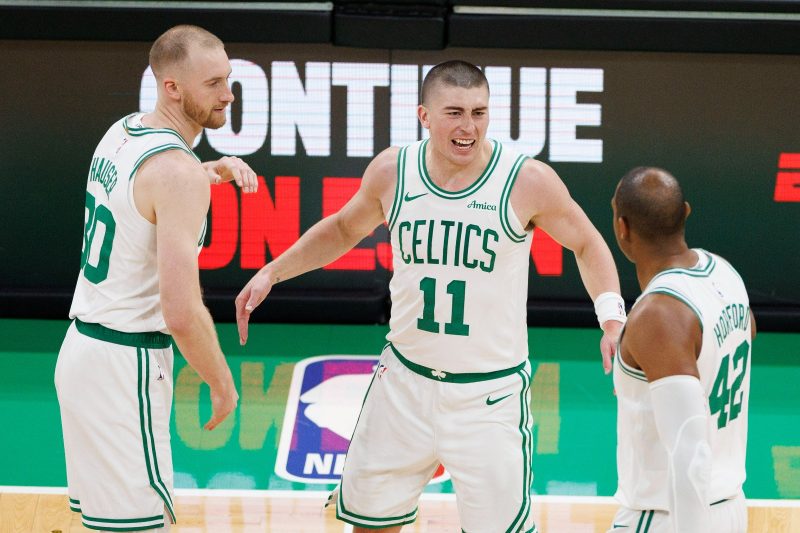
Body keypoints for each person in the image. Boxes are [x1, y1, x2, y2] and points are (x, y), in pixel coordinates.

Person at [237, 60, 626, 532]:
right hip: (404, 383)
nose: (469, 127)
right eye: (454, 113)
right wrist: (273, 272)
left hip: (488, 395)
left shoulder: (526, 180)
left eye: (479, 112)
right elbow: (342, 229)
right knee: (369, 525)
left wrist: (611, 317)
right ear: (423, 115)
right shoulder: (393, 170)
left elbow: (587, 243)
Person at [54, 25, 258, 531]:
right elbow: (182, 312)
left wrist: (206, 172)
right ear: (172, 87)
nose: (228, 94)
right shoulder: (177, 173)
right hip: (126, 367)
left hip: (82, 353)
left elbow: (143, 198)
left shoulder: (123, 131)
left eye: (228, 78)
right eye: (213, 83)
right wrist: (222, 383)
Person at [608, 167, 754, 533]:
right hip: (730, 507)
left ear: (622, 228)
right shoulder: (724, 272)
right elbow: (743, 333)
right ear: (685, 212)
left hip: (670, 514)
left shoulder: (658, 314)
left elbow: (691, 449)